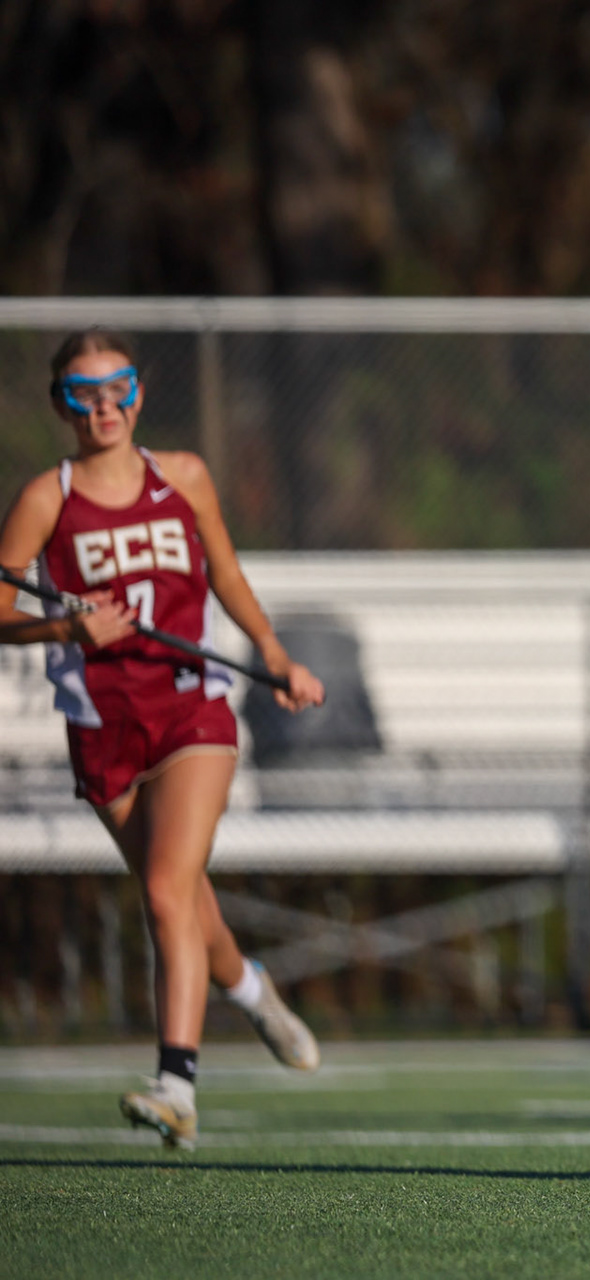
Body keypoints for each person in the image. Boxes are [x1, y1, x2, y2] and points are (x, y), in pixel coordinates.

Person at [0, 329, 327, 1150]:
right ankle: (253, 991)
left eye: (118, 386)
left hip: (192, 711)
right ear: (62, 406)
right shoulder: (48, 498)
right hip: (102, 726)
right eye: (84, 392)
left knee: (163, 891)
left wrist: (277, 656)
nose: (104, 404)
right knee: (181, 895)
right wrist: (66, 626)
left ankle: (176, 1083)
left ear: (138, 393)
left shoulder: (182, 476)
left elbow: (226, 573)